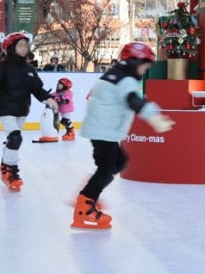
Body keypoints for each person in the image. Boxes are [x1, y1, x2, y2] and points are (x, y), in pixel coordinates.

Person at [72, 42, 175, 230]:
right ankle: (83, 209)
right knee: (107, 168)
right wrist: (154, 117)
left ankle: (90, 191)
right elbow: (134, 100)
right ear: (135, 62)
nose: (144, 70)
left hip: (102, 129)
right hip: (104, 131)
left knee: (119, 162)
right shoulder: (125, 80)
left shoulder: (112, 75)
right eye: (145, 66)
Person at [0, 32, 59, 191]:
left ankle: (5, 164)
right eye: (21, 45)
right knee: (15, 138)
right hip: (5, 109)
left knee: (13, 139)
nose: (25, 49)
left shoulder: (29, 69)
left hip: (22, 110)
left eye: (26, 45)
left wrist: (49, 99)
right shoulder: (2, 68)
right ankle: (10, 170)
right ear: (11, 48)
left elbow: (37, 89)